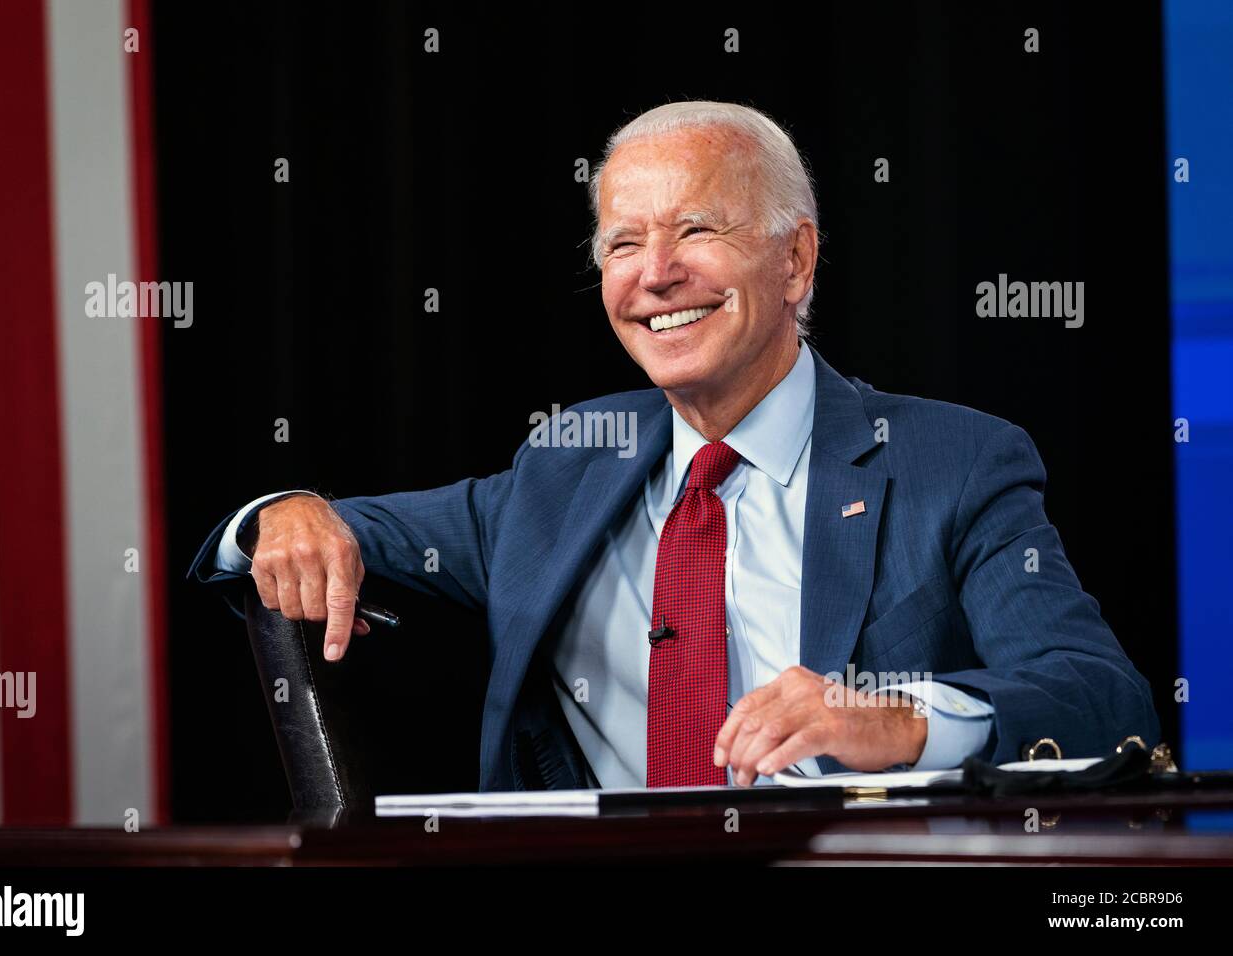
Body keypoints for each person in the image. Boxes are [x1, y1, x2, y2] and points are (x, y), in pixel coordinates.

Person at [189, 101, 1160, 791]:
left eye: (696, 228)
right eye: (621, 243)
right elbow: (331, 528)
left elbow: (1099, 696)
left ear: (795, 258)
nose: (655, 274)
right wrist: (285, 511)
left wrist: (904, 717)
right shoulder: (563, 465)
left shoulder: (954, 462)